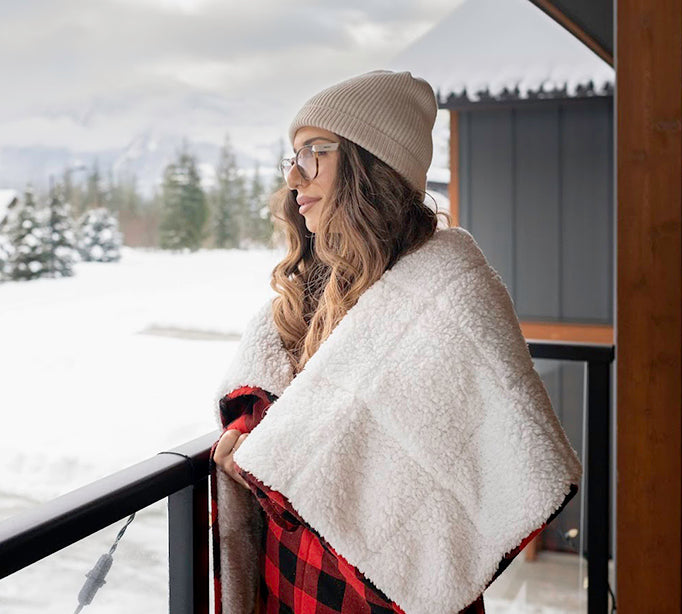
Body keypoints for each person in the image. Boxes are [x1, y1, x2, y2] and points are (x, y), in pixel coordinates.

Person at [209, 70, 581, 614]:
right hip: (291, 584)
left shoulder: (450, 294)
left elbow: (472, 468)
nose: (293, 175)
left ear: (369, 165)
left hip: (380, 597)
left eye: (314, 152)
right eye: (290, 156)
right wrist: (252, 431)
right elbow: (275, 393)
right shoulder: (313, 286)